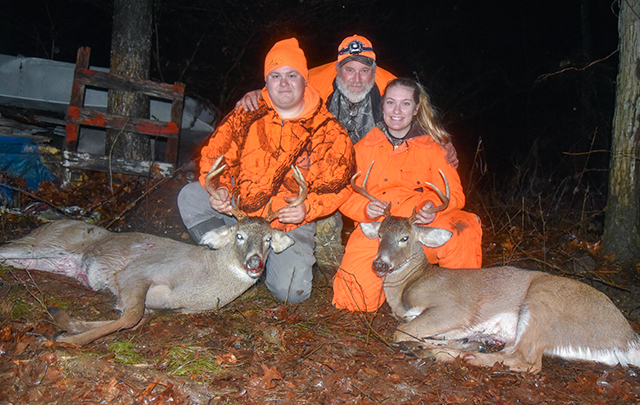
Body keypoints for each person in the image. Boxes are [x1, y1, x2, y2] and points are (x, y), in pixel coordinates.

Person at [178, 38, 355, 304]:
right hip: (242, 213)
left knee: (291, 292)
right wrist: (223, 188)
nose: (283, 83)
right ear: (266, 81)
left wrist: (309, 208)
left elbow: (341, 184)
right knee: (191, 197)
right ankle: (228, 262)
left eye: (291, 75)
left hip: (286, 222)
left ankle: (263, 260)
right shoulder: (246, 114)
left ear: (304, 80)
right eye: (276, 76)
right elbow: (216, 156)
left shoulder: (328, 131)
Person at [332, 78, 482, 312]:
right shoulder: (363, 148)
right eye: (391, 102)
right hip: (381, 229)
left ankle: (464, 303)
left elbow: (455, 196)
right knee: (352, 301)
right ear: (382, 106)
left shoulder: (434, 148)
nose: (397, 111)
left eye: (405, 104)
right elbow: (346, 194)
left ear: (416, 109)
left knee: (463, 227)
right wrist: (364, 208)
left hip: (416, 228)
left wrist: (431, 207)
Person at [236, 35, 459, 167]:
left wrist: (441, 145)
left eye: (364, 70)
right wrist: (258, 94)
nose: (357, 79)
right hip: (325, 162)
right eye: (349, 70)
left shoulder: (389, 85)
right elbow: (282, 87)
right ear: (337, 70)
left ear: (374, 70)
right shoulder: (314, 81)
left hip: (372, 163)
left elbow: (419, 114)